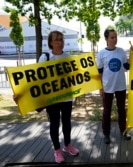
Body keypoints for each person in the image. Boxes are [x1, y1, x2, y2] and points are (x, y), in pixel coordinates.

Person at [14, 30, 79, 163]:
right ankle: (57, 150)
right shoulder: (45, 58)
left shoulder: (68, 57)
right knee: (54, 123)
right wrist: (21, 94)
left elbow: (76, 76)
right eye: (57, 40)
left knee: (67, 122)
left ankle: (68, 145)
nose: (60, 42)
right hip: (52, 98)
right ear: (50, 42)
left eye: (61, 39)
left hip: (66, 96)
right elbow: (35, 80)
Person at [96, 28, 133, 144]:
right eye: (112, 37)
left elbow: (127, 67)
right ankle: (106, 134)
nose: (115, 39)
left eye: (116, 37)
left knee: (122, 110)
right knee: (106, 111)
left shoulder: (121, 51)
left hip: (121, 86)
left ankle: (123, 131)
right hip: (107, 87)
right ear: (106, 39)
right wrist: (100, 88)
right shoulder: (102, 54)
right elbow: (99, 72)